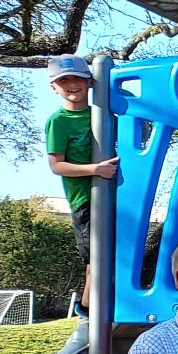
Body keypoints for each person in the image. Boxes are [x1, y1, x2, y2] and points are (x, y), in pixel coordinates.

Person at [43, 53, 119, 314]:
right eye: (64, 81)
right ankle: (87, 313)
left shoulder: (106, 113)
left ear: (90, 82)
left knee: (114, 254)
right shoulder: (58, 121)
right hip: (85, 199)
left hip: (114, 193)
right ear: (54, 87)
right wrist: (95, 170)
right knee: (95, 258)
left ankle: (104, 310)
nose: (72, 84)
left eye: (77, 78)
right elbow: (57, 165)